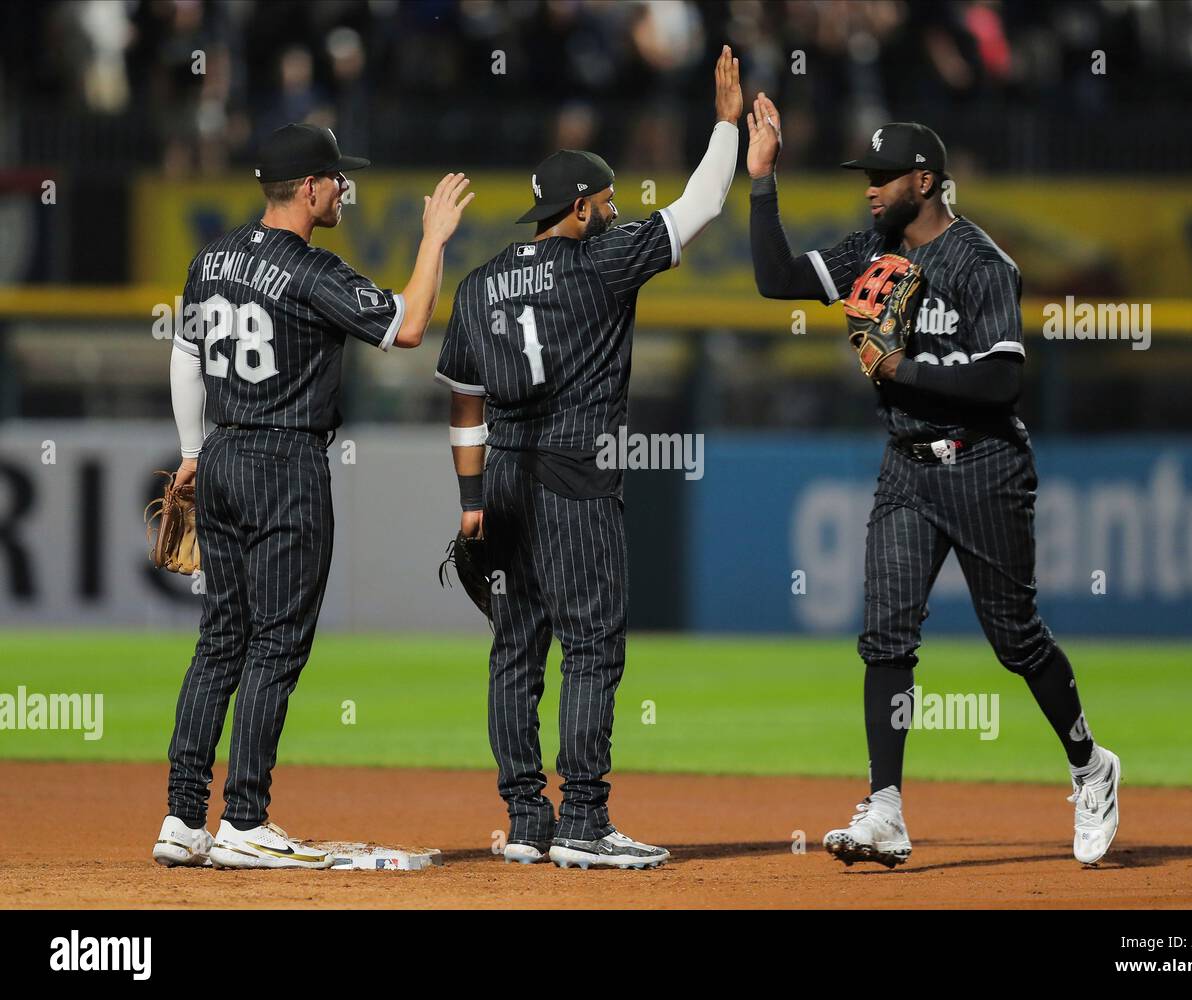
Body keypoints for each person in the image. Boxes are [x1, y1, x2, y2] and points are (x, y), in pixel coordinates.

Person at [746, 98, 1120, 868]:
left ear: (926, 179)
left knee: (1016, 640)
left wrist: (900, 368)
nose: (871, 188)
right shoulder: (872, 246)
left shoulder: (980, 262)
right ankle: (885, 808)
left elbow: (1004, 381)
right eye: (867, 176)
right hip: (907, 466)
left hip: (984, 460)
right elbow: (776, 278)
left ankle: (1090, 767)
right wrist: (761, 180)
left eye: (884, 176)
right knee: (885, 637)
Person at [434, 48, 742, 871]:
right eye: (604, 203)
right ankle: (585, 822)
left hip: (500, 475)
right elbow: (705, 201)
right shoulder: (603, 260)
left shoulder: (478, 284)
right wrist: (725, 121)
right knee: (595, 644)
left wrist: (469, 499)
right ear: (577, 211)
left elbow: (463, 401)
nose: (613, 213)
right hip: (575, 473)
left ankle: (528, 820)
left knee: (515, 649)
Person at [152, 124, 473, 869]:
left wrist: (193, 451)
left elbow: (185, 354)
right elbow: (411, 325)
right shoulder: (310, 270)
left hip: (225, 449)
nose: (342, 189)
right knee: (277, 641)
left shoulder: (212, 258)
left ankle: (181, 817)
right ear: (306, 189)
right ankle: (246, 820)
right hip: (285, 461)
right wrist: (433, 240)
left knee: (220, 639)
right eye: (334, 179)